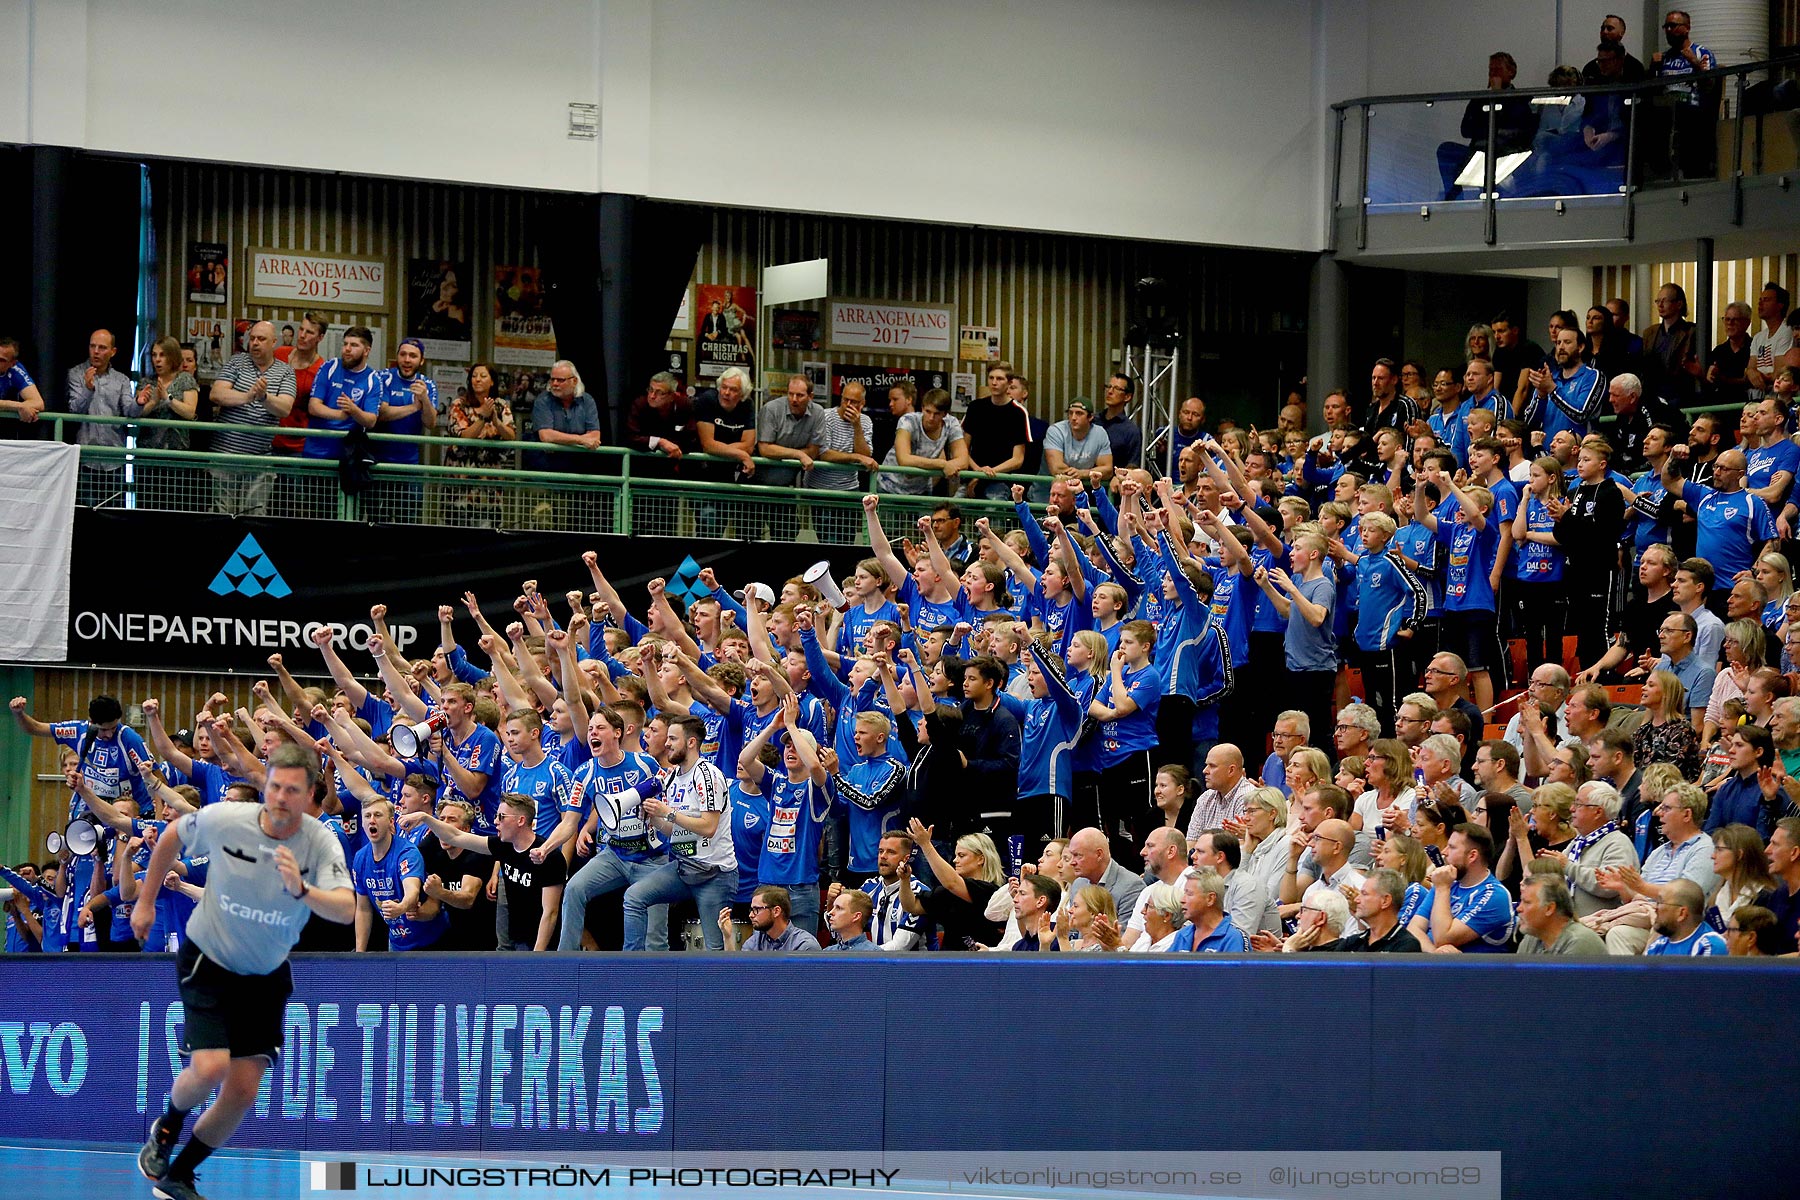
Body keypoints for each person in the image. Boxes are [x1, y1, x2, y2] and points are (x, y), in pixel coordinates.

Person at [131, 744, 354, 1200]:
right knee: (211, 1066)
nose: (280, 797)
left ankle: (180, 1175)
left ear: (311, 794)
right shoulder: (227, 819)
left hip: (266, 974)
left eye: (292, 790)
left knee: (243, 1090)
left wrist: (303, 888)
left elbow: (347, 910)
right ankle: (168, 1127)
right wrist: (147, 900)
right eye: (274, 785)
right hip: (208, 957)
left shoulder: (320, 841)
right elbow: (173, 834)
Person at [621, 715, 738, 951]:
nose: (667, 744)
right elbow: (673, 831)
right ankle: (632, 965)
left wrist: (669, 812)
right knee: (633, 898)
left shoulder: (707, 775)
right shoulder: (673, 776)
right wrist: (654, 816)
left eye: (673, 739)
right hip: (684, 867)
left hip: (714, 873)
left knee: (714, 948)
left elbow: (708, 826)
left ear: (691, 742)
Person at [404, 793, 563, 952]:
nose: (495, 822)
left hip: (545, 945)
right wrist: (425, 818)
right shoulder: (504, 846)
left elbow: (550, 913)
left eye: (501, 817)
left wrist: (537, 956)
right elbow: (455, 836)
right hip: (518, 937)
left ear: (520, 820)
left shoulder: (548, 857)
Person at [207, 321, 298, 516]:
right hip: (225, 455)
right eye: (252, 338)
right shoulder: (236, 361)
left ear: (274, 342)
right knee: (222, 514)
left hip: (259, 459)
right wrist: (247, 396)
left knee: (254, 517)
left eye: (261, 339)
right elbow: (216, 394)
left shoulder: (286, 372)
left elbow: (284, 408)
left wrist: (264, 397)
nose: (254, 343)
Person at [1437, 52, 1538, 200]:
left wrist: (1498, 99)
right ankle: (1455, 199)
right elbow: (1466, 129)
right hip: (1478, 151)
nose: (1493, 74)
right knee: (1445, 149)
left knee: (1490, 161)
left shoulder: (1521, 99)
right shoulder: (1480, 99)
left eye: (1497, 69)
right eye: (1491, 70)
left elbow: (1517, 131)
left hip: (1505, 153)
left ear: (1511, 72)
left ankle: (1491, 197)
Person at [351, 797, 447, 952]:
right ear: (362, 823)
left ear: (391, 822)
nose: (372, 820)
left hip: (430, 940)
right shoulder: (360, 858)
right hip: (397, 943)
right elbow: (363, 909)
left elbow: (412, 891)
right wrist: (359, 953)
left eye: (378, 815)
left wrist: (401, 907)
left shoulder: (407, 853)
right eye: (367, 816)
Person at [66, 329, 146, 506]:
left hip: (114, 457)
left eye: (102, 347)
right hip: (86, 458)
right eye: (92, 346)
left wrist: (139, 403)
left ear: (113, 352)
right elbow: (74, 410)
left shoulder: (122, 380)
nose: (96, 351)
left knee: (114, 514)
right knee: (86, 513)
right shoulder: (76, 374)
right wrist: (88, 388)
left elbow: (129, 411)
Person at [901, 822, 1008, 949]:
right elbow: (911, 906)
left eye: (961, 855)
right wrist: (904, 880)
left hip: (982, 964)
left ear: (981, 859)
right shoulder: (949, 892)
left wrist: (926, 845)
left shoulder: (991, 891)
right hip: (948, 963)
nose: (955, 860)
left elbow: (952, 883)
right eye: (956, 855)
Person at [1414, 823, 1516, 952]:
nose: (1444, 852)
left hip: (1474, 970)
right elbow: (1414, 929)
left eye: (1451, 847)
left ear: (1472, 856)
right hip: (1436, 965)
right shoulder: (1447, 881)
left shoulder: (1495, 895)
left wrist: (1442, 889)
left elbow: (1443, 937)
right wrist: (1433, 953)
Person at [1648, 9, 1718, 181]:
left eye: (1673, 26)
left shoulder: (1702, 53)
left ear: (1686, 28)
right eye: (1666, 27)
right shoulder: (1663, 58)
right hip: (1665, 111)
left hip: (1692, 108)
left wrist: (1695, 63)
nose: (1669, 30)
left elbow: (1710, 87)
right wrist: (1653, 69)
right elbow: (1653, 91)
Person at [959, 370, 1033, 499]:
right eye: (991, 378)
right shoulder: (975, 407)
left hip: (1000, 480)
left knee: (994, 506)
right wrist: (977, 471)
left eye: (999, 379)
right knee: (951, 509)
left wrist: (988, 473)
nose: (994, 383)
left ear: (1009, 383)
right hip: (972, 476)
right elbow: (962, 448)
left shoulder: (1019, 413)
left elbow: (1017, 459)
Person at [881, 388, 969, 496]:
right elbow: (903, 459)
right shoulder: (908, 420)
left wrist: (948, 466)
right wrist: (942, 464)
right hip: (888, 486)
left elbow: (963, 460)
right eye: (928, 411)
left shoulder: (951, 423)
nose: (931, 418)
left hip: (920, 491)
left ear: (945, 414)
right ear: (922, 408)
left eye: (936, 414)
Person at [526, 360, 602, 474]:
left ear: (574, 381)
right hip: (546, 470)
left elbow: (594, 436)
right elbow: (546, 436)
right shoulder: (543, 400)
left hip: (579, 471)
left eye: (560, 380)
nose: (555, 384)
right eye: (552, 379)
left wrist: (560, 439)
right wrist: (581, 440)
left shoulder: (587, 401)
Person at [1328, 869, 1423, 952]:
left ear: (1385, 901)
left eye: (1364, 894)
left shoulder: (1406, 945)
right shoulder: (1352, 943)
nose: (1357, 900)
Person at [1515, 872, 1608, 954]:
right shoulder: (1532, 938)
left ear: (1549, 908)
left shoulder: (1579, 941)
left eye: (1526, 902)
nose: (1519, 909)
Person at [722, 884, 821, 951]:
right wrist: (728, 937)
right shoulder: (754, 943)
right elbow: (739, 975)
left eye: (757, 909)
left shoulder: (804, 946)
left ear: (776, 911)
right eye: (751, 910)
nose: (751, 915)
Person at [1169, 868, 1247, 952]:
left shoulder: (1233, 938)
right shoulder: (1182, 935)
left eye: (1189, 894)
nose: (1182, 900)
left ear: (1210, 899)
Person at [1043, 398, 1115, 488]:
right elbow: (1057, 468)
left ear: (1090, 417)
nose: (1073, 418)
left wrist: (1083, 473)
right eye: (1070, 413)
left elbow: (1108, 470)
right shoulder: (1056, 431)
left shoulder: (1099, 433)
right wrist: (1090, 473)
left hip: (1081, 491)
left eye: (1079, 413)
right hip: (1048, 490)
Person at [1644, 878, 1729, 955]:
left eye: (1660, 902)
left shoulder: (1710, 946)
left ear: (1681, 913)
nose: (1655, 908)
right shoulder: (1658, 946)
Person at [1746, 283, 1794, 399]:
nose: (1760, 303)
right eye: (1760, 300)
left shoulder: (1786, 331)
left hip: (1778, 396)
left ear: (1780, 305)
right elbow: (1750, 368)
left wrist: (1755, 375)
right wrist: (1750, 372)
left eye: (1766, 300)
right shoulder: (1758, 337)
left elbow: (1779, 373)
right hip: (1757, 395)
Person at [1581, 13, 1648, 84]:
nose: (1604, 32)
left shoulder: (1635, 67)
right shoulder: (1590, 68)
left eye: (1610, 28)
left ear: (1621, 33)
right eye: (1602, 29)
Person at [1097, 373, 1142, 469]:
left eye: (1116, 388)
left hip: (1114, 481)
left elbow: (1132, 465)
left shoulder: (1131, 431)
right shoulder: (1093, 420)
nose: (1109, 391)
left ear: (1127, 397)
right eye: (1108, 387)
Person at [0, 336, 46, 428]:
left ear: (12, 363)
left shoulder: (15, 369)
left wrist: (22, 406)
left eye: (1, 360)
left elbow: (39, 403)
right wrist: (19, 406)